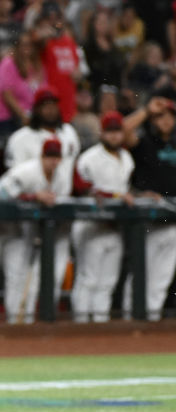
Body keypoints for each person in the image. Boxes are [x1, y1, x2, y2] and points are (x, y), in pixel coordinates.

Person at [0, 138, 69, 325]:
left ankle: (14, 323)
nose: (53, 161)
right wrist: (33, 196)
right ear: (42, 156)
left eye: (57, 157)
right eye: (50, 157)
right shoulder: (26, 171)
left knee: (17, 275)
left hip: (16, 227)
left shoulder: (61, 177)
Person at [4, 85, 79, 322]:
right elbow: (13, 181)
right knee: (21, 273)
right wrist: (34, 196)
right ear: (36, 109)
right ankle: (17, 323)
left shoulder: (69, 134)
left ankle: (48, 323)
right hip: (27, 213)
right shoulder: (21, 138)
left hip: (59, 211)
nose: (50, 109)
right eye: (45, 105)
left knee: (55, 274)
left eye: (53, 104)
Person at [69, 111, 132, 324]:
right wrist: (112, 195)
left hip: (114, 227)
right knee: (88, 278)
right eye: (110, 131)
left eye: (118, 131)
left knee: (108, 281)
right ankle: (81, 324)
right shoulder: (89, 157)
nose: (114, 136)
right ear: (102, 132)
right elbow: (79, 186)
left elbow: (125, 189)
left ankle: (100, 326)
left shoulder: (127, 158)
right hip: (90, 224)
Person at [122, 95, 176, 321]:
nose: (166, 121)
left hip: (171, 220)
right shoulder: (145, 142)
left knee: (162, 276)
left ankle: (151, 321)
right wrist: (147, 110)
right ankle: (129, 317)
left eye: (170, 116)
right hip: (146, 219)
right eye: (160, 116)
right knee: (140, 272)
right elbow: (123, 130)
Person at [0, 30, 43, 136]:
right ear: (17, 46)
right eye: (24, 44)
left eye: (30, 44)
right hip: (5, 117)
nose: (27, 48)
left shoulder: (37, 67)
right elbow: (6, 94)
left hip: (29, 117)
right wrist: (24, 117)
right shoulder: (8, 63)